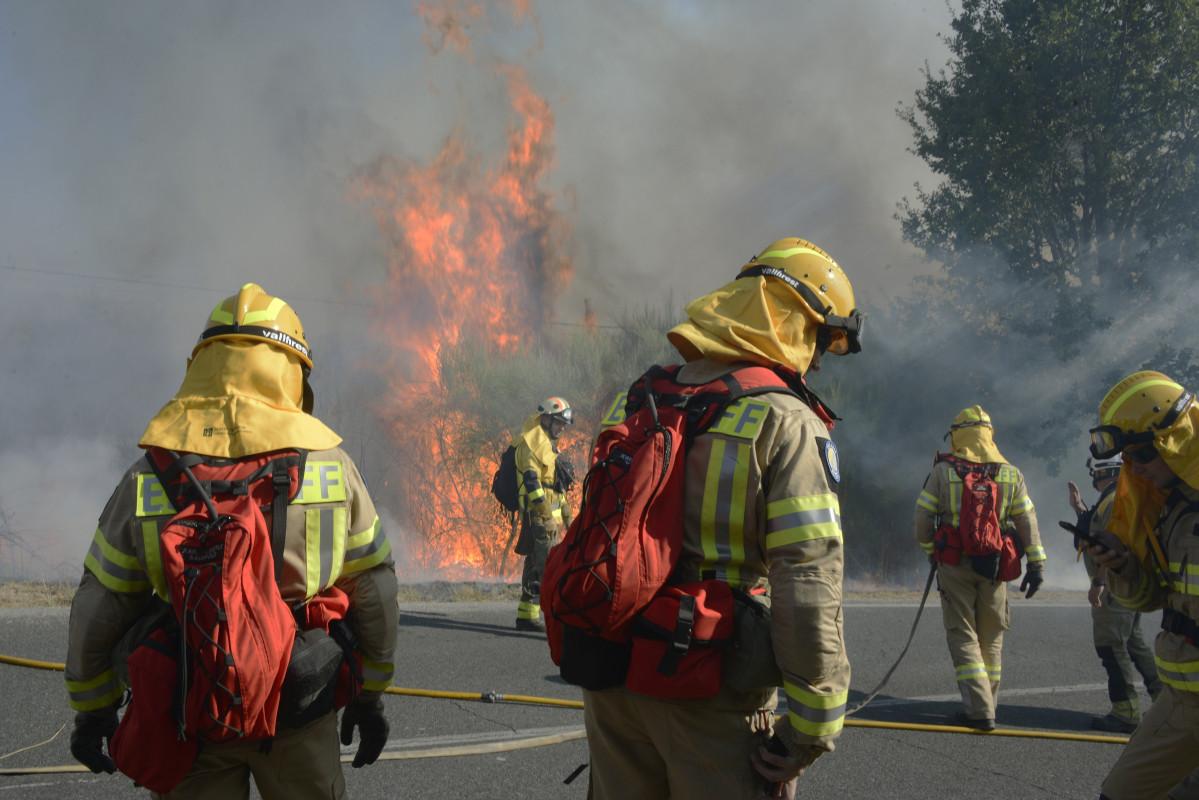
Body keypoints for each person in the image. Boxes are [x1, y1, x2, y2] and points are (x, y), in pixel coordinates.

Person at [65, 283, 399, 799]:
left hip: (192, 708)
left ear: (203, 364)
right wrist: (368, 695)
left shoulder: (150, 474)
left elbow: (102, 599)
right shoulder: (332, 468)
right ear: (292, 371)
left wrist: (93, 709)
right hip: (300, 705)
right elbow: (373, 588)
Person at [581, 237, 861, 800]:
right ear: (795, 321)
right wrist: (809, 729)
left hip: (613, 672)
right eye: (819, 339)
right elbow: (806, 579)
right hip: (708, 686)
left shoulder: (638, 398)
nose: (817, 358)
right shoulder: (787, 421)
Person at [1085, 371, 1199, 800]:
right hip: (1182, 700)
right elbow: (1150, 600)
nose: (1137, 466)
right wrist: (1122, 567)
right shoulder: (1167, 506)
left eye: (1144, 452)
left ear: (1176, 438)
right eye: (1128, 457)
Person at [914, 406, 1046, 731]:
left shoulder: (943, 472)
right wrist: (1036, 563)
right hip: (995, 565)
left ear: (958, 435)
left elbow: (921, 519)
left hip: (954, 564)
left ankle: (979, 710)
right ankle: (989, 703)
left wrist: (932, 552)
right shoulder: (1011, 473)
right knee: (991, 637)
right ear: (989, 434)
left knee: (963, 634)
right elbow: (1026, 520)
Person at [1067, 456, 1161, 733]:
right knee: (1134, 644)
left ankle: (1125, 712)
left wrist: (1099, 581)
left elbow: (1115, 545)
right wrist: (1079, 508)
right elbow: (1095, 531)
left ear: (1102, 472)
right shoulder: (1113, 499)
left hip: (1113, 587)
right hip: (1122, 586)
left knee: (1110, 646)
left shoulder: (1114, 501)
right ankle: (1166, 701)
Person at [513, 397, 575, 631]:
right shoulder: (532, 445)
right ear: (546, 418)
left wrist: (567, 514)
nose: (561, 428)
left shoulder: (547, 445)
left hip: (548, 520)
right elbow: (532, 484)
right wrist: (546, 516)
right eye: (558, 422)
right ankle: (552, 618)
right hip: (540, 519)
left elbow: (555, 487)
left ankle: (527, 615)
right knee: (546, 567)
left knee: (534, 564)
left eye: (563, 425)